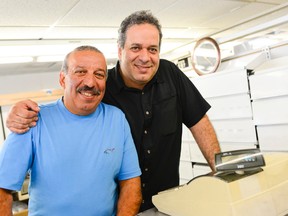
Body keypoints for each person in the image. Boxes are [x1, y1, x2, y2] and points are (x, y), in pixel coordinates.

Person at [5, 10, 221, 212]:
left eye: (152, 49)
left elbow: (199, 122)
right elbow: (72, 101)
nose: (145, 57)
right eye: (136, 48)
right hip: (121, 206)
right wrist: (22, 112)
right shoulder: (101, 89)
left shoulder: (170, 75)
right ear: (120, 50)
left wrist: (222, 172)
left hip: (166, 201)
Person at [0, 46, 142, 216]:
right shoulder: (32, 120)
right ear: (62, 79)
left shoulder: (117, 119)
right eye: (81, 72)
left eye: (99, 74)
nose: (90, 83)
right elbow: (2, 190)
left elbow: (131, 184)